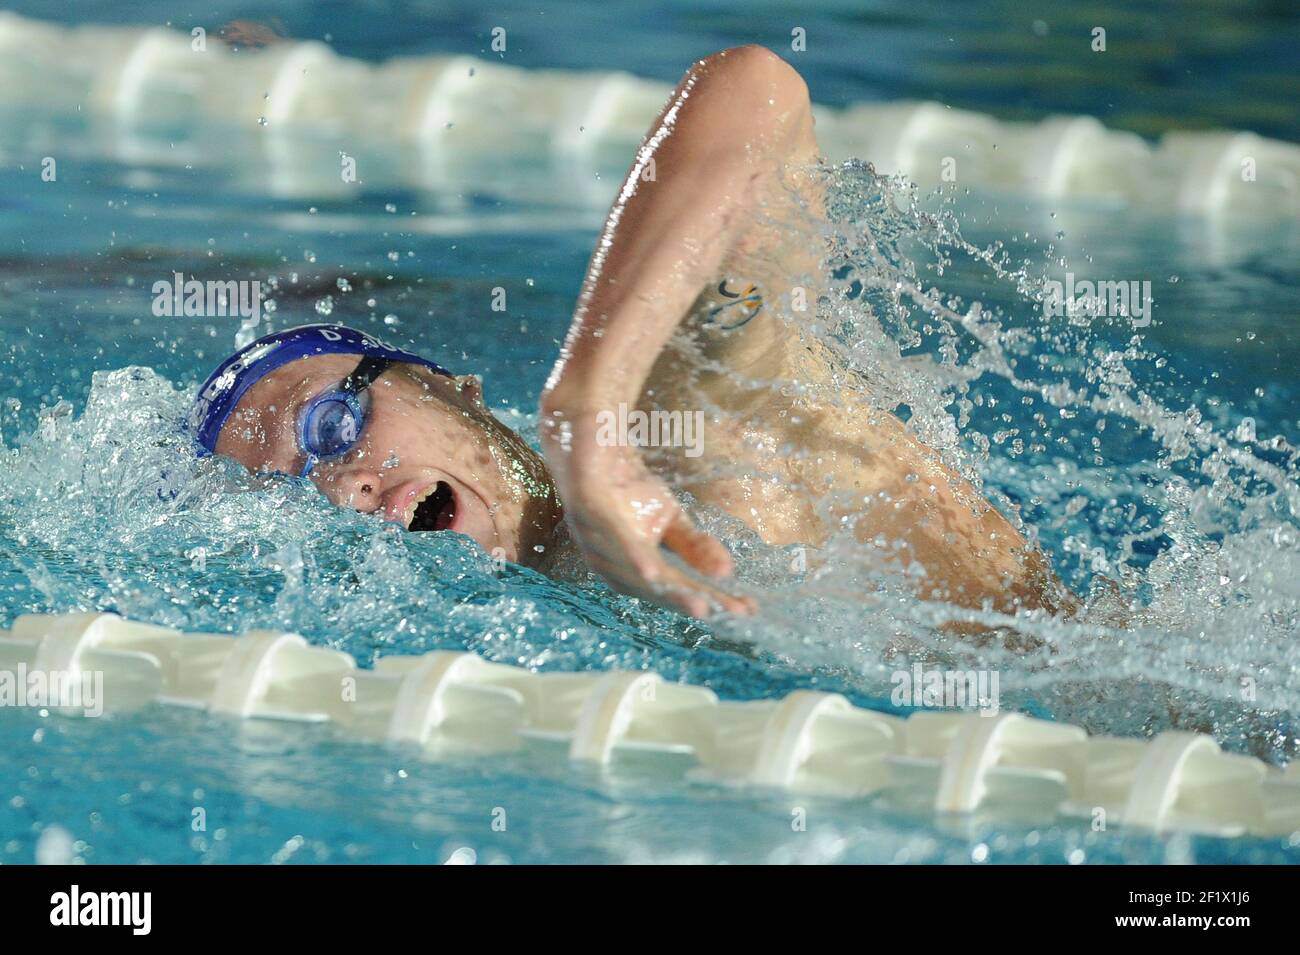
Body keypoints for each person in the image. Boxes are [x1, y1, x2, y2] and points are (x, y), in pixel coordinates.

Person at [186, 46, 1072, 620]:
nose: (340, 486)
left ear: (455, 385)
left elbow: (758, 93)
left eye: (330, 424)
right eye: (293, 491)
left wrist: (590, 408)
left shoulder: (675, 424)